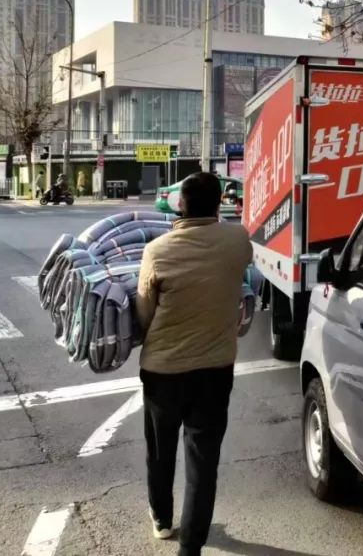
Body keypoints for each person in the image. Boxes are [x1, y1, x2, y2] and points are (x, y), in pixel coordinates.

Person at [136, 172, 253, 556]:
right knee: (203, 462)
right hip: (215, 371)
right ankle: (191, 548)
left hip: (163, 373)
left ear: (180, 205)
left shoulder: (157, 250)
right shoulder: (238, 240)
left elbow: (144, 313)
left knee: (160, 451)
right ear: (219, 203)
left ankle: (162, 519)